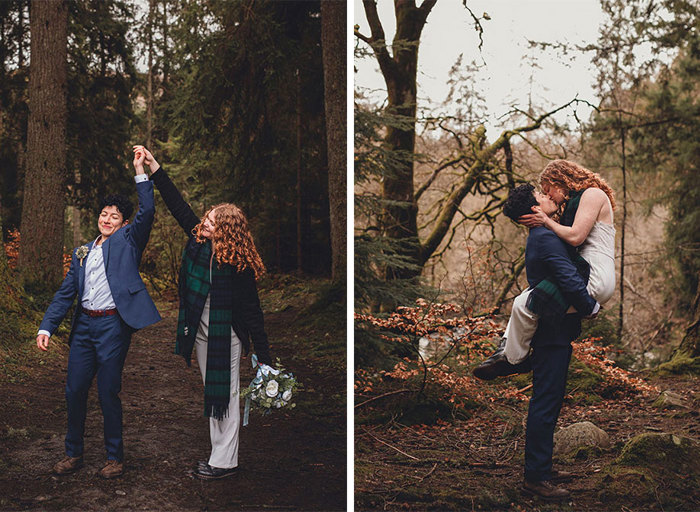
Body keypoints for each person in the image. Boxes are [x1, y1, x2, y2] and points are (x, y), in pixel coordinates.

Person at [132, 145, 273, 480]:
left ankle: (224, 462)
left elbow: (253, 311)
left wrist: (265, 356)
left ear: (226, 229)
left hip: (228, 336)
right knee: (214, 393)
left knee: (225, 395)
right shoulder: (198, 242)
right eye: (206, 219)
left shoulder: (237, 265)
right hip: (201, 333)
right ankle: (218, 454)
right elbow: (178, 204)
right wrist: (153, 167)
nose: (204, 223)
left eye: (211, 221)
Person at [36, 152, 161, 479]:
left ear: (122, 223)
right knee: (74, 390)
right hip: (83, 328)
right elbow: (65, 294)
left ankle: (114, 457)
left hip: (112, 326)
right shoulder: (82, 251)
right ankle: (72, 454)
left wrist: (140, 172)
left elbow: (147, 212)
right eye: (104, 214)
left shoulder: (128, 242)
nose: (107, 219)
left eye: (114, 216)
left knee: (108, 391)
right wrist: (47, 326)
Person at [473, 160, 615, 379]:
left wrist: (546, 222)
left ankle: (512, 360)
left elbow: (576, 237)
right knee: (525, 298)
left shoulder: (592, 195)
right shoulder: (573, 204)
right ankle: (507, 354)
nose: (549, 196)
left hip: (595, 276)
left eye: (548, 190)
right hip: (584, 273)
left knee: (524, 303)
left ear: (560, 181)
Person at [502, 184, 599, 499]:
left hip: (554, 329)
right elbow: (566, 278)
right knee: (545, 401)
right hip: (551, 331)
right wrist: (589, 307)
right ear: (533, 211)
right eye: (541, 197)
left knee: (550, 399)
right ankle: (535, 478)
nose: (548, 197)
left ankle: (542, 467)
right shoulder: (544, 238)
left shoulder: (544, 234)